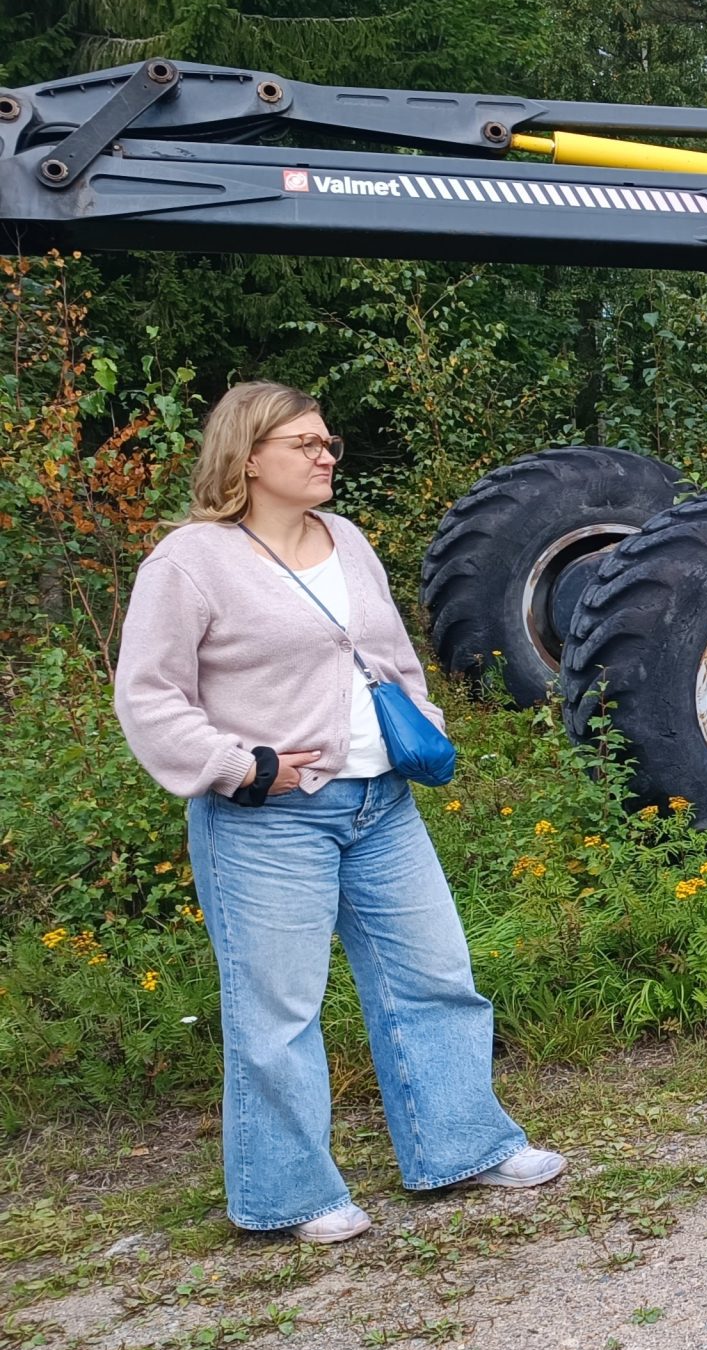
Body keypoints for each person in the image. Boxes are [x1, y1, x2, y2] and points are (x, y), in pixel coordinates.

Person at [113, 381, 562, 1244]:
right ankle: (290, 1196)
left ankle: (463, 1145)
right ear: (249, 458)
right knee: (277, 1013)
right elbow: (149, 697)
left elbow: (394, 658)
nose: (326, 456)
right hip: (268, 820)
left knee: (434, 977)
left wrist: (422, 723)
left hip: (381, 805)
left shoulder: (345, 538)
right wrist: (242, 767)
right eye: (305, 444)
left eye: (329, 443)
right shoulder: (190, 561)